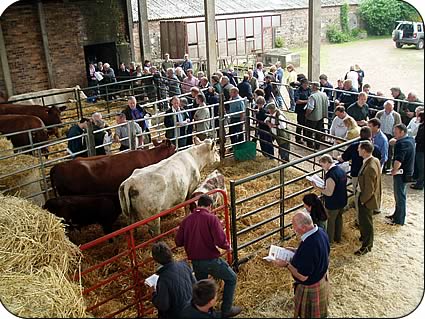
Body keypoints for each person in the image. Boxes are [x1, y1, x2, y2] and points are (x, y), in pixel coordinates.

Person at [175, 195, 242, 318]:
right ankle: (226, 310)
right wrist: (228, 247)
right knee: (231, 278)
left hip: (195, 262)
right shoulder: (211, 218)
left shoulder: (186, 220)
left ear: (197, 205)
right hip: (210, 260)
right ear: (210, 206)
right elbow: (220, 240)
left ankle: (205, 312)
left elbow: (178, 241)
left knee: (201, 288)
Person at [272, 211, 330, 318]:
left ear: (303, 227)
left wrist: (286, 265)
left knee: (308, 315)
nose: (294, 230)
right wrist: (295, 250)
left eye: (295, 227)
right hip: (321, 278)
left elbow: (302, 277)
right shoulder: (321, 231)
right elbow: (316, 254)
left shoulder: (309, 246)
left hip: (311, 286)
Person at [338, 126, 381, 220]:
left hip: (356, 174)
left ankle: (359, 218)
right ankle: (376, 208)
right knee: (373, 190)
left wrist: (338, 159)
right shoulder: (375, 148)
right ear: (371, 136)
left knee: (358, 195)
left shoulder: (354, 146)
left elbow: (343, 158)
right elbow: (379, 159)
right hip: (373, 174)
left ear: (360, 135)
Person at [150, 242, 196, 319]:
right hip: (192, 309)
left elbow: (163, 305)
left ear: (156, 260)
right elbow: (195, 285)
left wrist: (154, 294)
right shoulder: (184, 265)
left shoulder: (163, 279)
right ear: (170, 253)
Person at [311, 154, 347, 244]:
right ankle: (338, 238)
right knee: (339, 219)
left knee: (331, 222)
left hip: (333, 203)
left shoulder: (331, 175)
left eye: (322, 165)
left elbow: (329, 192)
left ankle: (329, 241)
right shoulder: (340, 170)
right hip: (342, 200)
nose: (322, 168)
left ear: (327, 162)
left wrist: (317, 187)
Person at [386, 124, 416, 226]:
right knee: (400, 195)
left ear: (402, 132)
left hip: (401, 173)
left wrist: (394, 170)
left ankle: (399, 220)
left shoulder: (401, 144)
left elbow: (399, 159)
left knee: (400, 196)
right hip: (408, 171)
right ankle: (397, 215)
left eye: (396, 132)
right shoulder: (410, 139)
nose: (394, 134)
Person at [356, 140, 382, 255]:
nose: (358, 150)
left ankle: (367, 246)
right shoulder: (374, 160)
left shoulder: (369, 167)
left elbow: (369, 190)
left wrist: (362, 200)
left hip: (367, 200)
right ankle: (364, 238)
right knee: (364, 221)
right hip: (367, 198)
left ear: (364, 151)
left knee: (367, 223)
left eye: (359, 148)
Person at [376, 100, 402, 172]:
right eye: (387, 108)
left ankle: (387, 167)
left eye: (390, 108)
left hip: (390, 135)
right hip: (381, 134)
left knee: (389, 152)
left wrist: (396, 137)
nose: (388, 110)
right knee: (379, 150)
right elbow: (376, 123)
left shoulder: (396, 116)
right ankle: (380, 165)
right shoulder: (379, 114)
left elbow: (399, 126)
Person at [305, 81, 328, 150]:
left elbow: (310, 108)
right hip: (321, 116)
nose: (310, 87)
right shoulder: (324, 94)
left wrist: (306, 114)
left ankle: (310, 145)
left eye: (311, 86)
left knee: (309, 131)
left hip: (313, 117)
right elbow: (327, 104)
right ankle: (317, 145)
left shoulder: (312, 96)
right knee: (318, 131)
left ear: (314, 87)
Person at [294, 78, 311, 144]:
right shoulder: (298, 90)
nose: (306, 85)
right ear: (302, 84)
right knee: (300, 124)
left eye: (307, 84)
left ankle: (305, 137)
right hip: (300, 110)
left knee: (306, 124)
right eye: (305, 84)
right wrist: (307, 101)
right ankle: (298, 138)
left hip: (307, 109)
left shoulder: (309, 90)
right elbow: (297, 101)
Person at [411, 112, 424, 190]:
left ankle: (419, 184)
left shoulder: (422, 127)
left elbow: (418, 137)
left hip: (421, 149)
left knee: (421, 168)